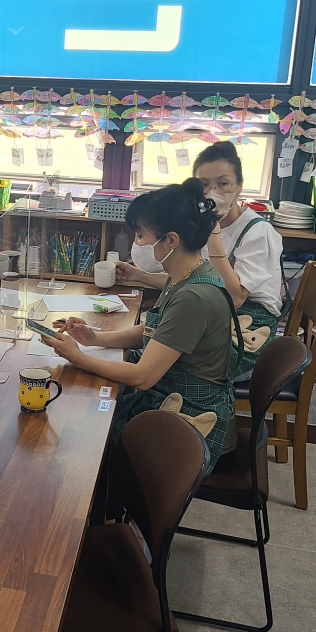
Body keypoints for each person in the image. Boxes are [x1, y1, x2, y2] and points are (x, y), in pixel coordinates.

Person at [43, 180, 240, 470]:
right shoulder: (188, 273)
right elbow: (156, 332)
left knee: (81, 439)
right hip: (168, 398)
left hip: (189, 424)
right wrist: (94, 337)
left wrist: (78, 357)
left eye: (141, 236)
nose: (138, 244)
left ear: (171, 240)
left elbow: (143, 376)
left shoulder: (193, 297)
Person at [116, 141, 283, 377]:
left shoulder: (258, 232)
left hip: (246, 329)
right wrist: (140, 276)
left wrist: (214, 237)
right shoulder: (196, 223)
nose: (213, 193)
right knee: (146, 344)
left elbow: (234, 298)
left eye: (223, 184)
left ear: (239, 186)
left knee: (156, 359)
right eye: (204, 185)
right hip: (210, 316)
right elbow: (192, 280)